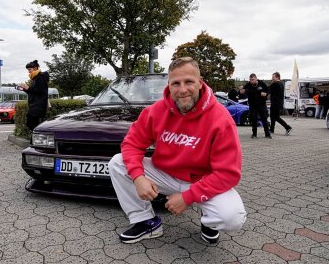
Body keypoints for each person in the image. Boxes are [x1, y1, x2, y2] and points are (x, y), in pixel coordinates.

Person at [108, 57, 246, 244]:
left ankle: (210, 222)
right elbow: (131, 144)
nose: (182, 90)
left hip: (201, 180)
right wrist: (138, 177)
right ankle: (146, 221)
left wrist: (188, 197)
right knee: (117, 162)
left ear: (200, 82)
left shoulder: (221, 119)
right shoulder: (155, 111)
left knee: (233, 217)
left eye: (189, 81)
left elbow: (228, 174)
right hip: (165, 174)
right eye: (176, 83)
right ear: (169, 85)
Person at [19, 60, 49, 132]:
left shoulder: (41, 77)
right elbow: (33, 92)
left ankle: (38, 138)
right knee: (32, 124)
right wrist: (24, 89)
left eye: (30, 69)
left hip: (38, 105)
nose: (28, 71)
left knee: (31, 123)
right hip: (34, 104)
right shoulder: (35, 78)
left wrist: (28, 88)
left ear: (35, 68)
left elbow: (41, 91)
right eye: (28, 70)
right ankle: (36, 139)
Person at [244, 73, 271, 139]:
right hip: (253, 105)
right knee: (253, 119)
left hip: (261, 104)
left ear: (256, 78)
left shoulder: (262, 83)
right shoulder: (248, 85)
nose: (251, 81)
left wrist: (266, 94)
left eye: (253, 79)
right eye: (250, 80)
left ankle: (267, 134)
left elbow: (268, 90)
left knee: (264, 119)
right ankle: (254, 134)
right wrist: (242, 91)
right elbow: (243, 91)